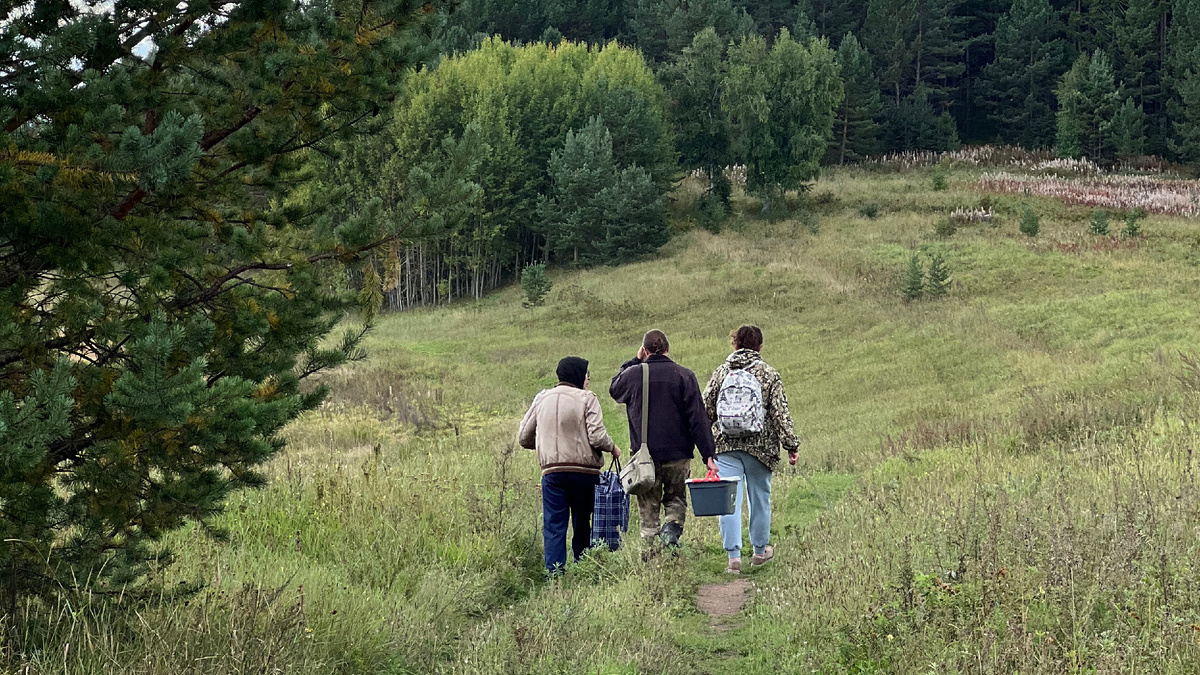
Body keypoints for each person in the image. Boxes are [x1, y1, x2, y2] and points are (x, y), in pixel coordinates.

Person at [702, 325, 800, 574]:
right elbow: (780, 414)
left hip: (725, 447)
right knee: (760, 499)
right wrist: (791, 445)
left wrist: (706, 445)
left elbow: (706, 409)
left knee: (729, 501)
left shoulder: (721, 373)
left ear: (735, 344)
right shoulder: (768, 374)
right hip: (761, 448)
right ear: (759, 347)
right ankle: (759, 551)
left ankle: (733, 558)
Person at [610, 329, 717, 547]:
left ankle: (650, 556)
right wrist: (708, 454)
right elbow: (698, 418)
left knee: (648, 508)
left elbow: (614, 388)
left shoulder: (633, 375)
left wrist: (634, 360)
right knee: (675, 500)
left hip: (644, 456)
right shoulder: (684, 375)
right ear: (668, 349)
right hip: (678, 454)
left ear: (645, 351)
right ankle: (671, 530)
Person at [519, 356, 621, 574]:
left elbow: (523, 437)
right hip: (584, 472)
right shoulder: (587, 398)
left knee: (554, 524)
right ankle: (583, 566)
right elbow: (596, 437)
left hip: (553, 473)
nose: (589, 379)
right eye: (587, 374)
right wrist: (612, 447)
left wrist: (544, 443)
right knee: (582, 522)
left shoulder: (542, 398)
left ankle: (555, 572)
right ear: (578, 375)